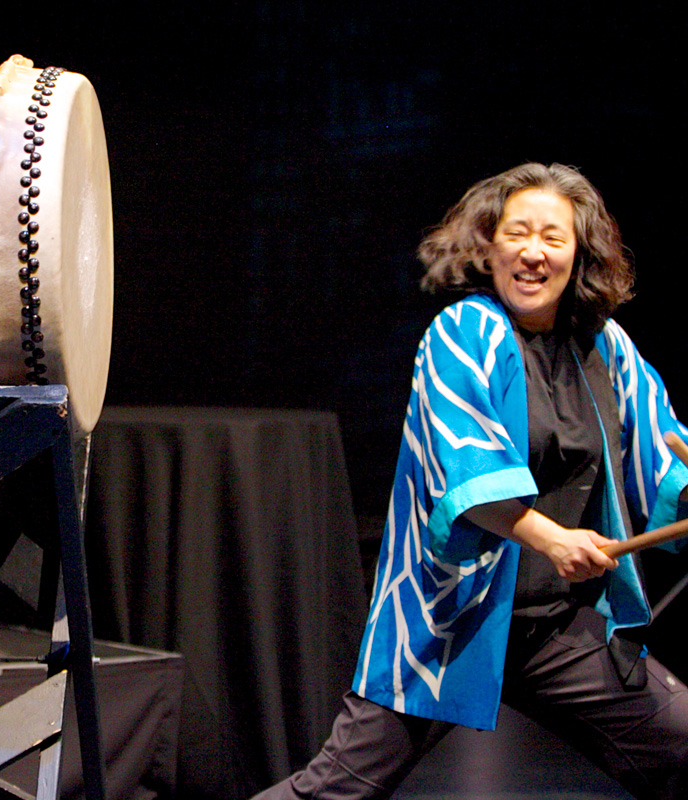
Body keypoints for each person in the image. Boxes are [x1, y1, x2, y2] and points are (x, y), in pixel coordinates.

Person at [255, 163, 688, 800]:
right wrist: (549, 538)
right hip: (449, 621)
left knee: (680, 742)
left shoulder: (606, 346)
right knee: (336, 792)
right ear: (489, 246)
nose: (533, 253)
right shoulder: (462, 334)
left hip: (557, 628)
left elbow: (662, 459)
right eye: (517, 233)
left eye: (554, 238)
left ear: (580, 254)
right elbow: (467, 475)